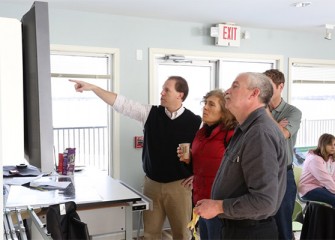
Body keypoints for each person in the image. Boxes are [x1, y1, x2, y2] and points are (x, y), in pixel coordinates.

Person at [70, 76, 202, 240]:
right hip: (151, 185)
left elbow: (206, 154)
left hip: (179, 187)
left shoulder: (196, 122)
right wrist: (94, 88)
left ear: (180, 95)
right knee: (149, 234)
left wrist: (198, 175)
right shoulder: (150, 113)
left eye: (166, 90)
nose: (161, 93)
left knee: (183, 234)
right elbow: (121, 104)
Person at [193, 72, 287, 239]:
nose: (227, 91)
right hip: (236, 228)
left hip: (249, 231)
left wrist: (218, 206)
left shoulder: (260, 133)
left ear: (254, 93)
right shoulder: (246, 129)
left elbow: (264, 201)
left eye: (235, 86)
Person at [178, 89, 237, 239]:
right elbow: (200, 165)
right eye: (205, 103)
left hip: (219, 204)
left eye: (211, 104)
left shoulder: (231, 134)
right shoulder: (201, 133)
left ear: (224, 112)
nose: (205, 107)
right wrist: (189, 160)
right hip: (200, 200)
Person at [263, 69, 302, 240]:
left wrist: (266, 114)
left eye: (269, 86)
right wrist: (276, 125)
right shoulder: (256, 111)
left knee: (283, 224)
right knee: (263, 223)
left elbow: (283, 135)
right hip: (261, 174)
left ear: (281, 87)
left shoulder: (293, 112)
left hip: (283, 174)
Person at [298, 133, 335, 207]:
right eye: (330, 144)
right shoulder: (314, 159)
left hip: (322, 186)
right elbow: (326, 179)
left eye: (334, 144)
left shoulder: (331, 158)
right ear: (323, 144)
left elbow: (333, 178)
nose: (333, 147)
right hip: (308, 189)